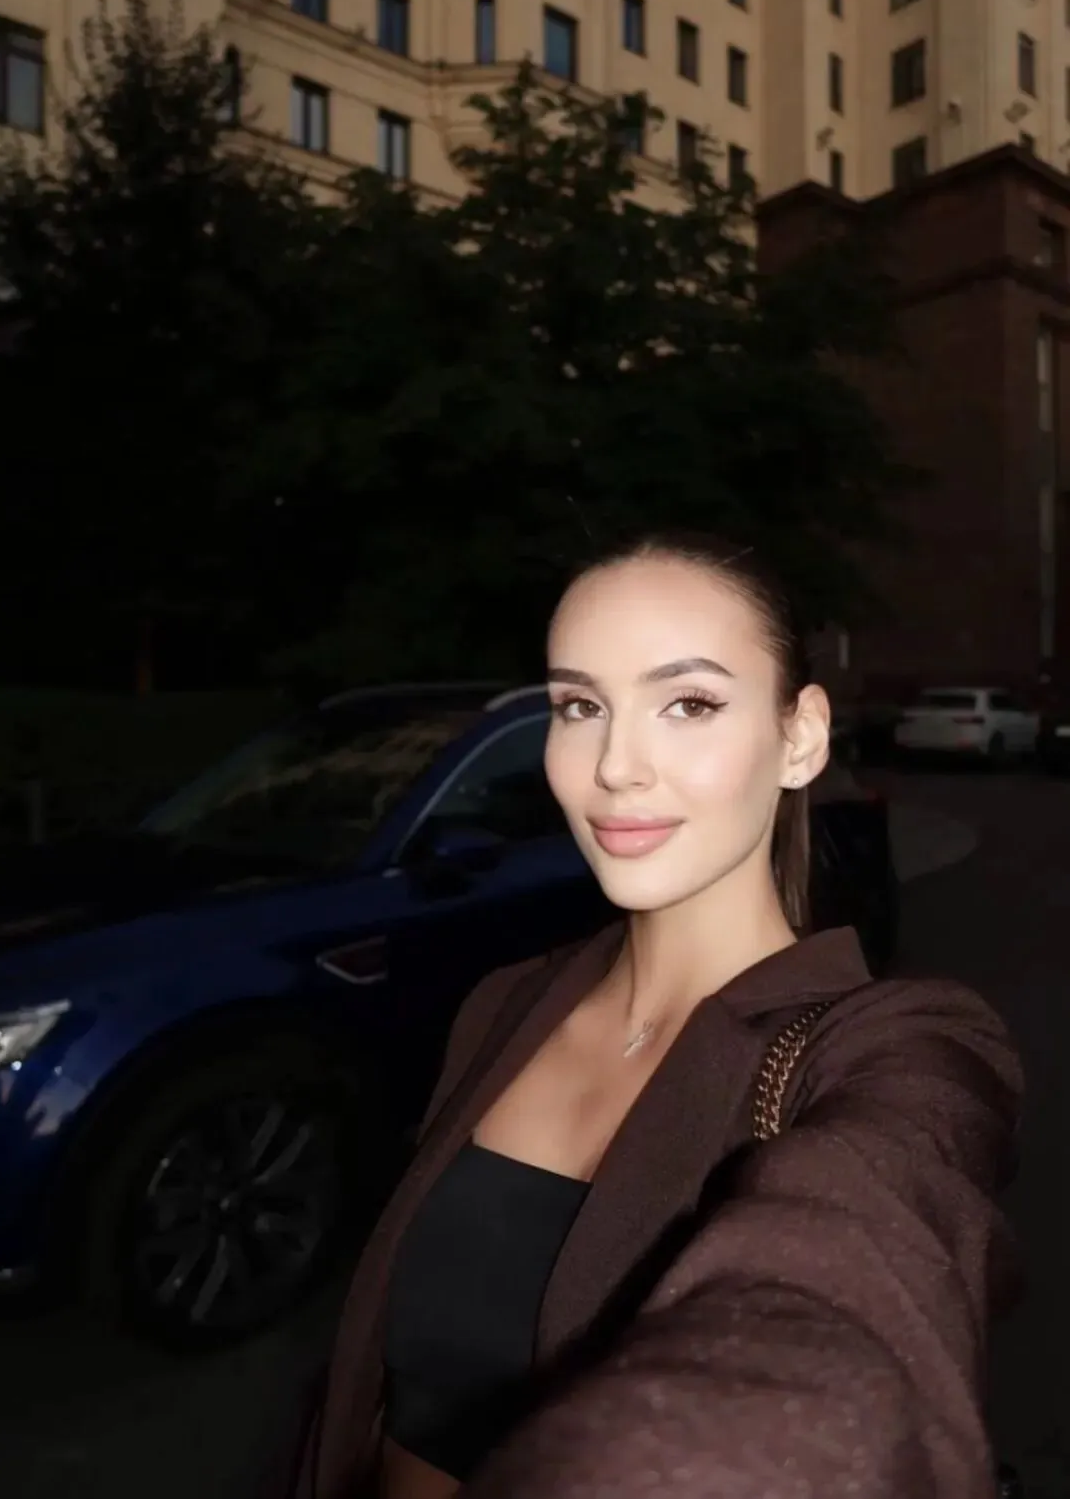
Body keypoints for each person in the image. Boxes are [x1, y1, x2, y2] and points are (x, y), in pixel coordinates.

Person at [283, 532, 1022, 1499]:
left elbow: (861, 1272)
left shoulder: (894, 1048)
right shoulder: (505, 1003)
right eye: (580, 706)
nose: (615, 766)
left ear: (800, 737)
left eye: (689, 703)